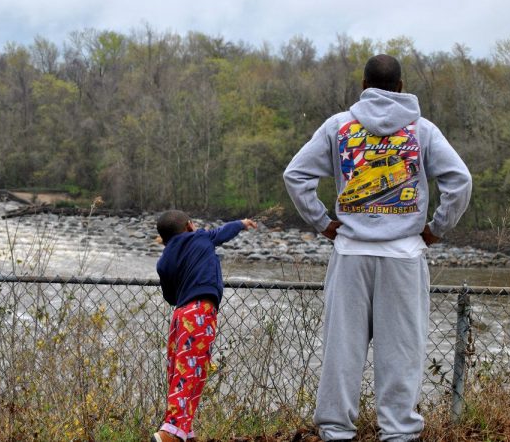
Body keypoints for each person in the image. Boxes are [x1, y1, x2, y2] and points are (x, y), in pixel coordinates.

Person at [283, 54, 472, 441]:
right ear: (401, 87)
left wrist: (323, 222)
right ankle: (399, 431)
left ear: (364, 86)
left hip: (350, 253)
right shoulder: (423, 130)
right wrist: (436, 228)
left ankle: (335, 430)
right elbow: (460, 181)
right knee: (401, 351)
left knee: (342, 349)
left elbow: (296, 174)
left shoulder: (338, 127)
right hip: (404, 255)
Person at [151, 210, 257, 442]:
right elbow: (223, 232)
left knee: (178, 369)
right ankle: (172, 431)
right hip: (200, 313)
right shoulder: (200, 237)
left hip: (180, 315)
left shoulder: (163, 261)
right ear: (190, 226)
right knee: (191, 370)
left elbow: (170, 296)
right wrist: (241, 223)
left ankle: (185, 430)